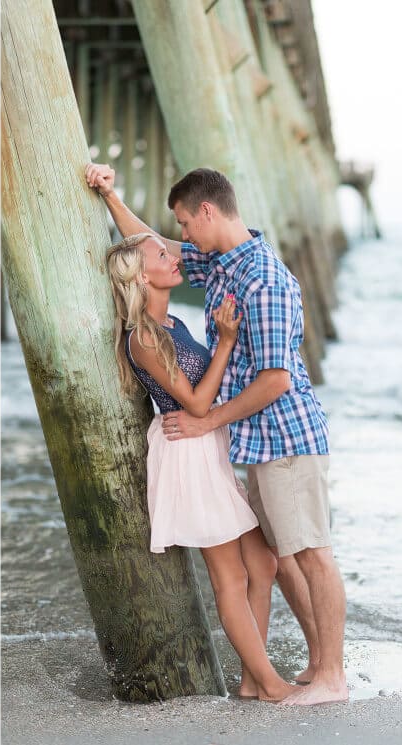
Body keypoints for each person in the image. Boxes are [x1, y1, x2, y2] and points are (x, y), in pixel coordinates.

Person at [87, 162, 346, 706]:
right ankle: (290, 672)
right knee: (272, 558)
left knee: (305, 553)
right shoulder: (221, 265)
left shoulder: (264, 279)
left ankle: (326, 676)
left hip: (278, 435)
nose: (178, 240)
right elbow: (150, 248)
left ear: (206, 211)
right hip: (239, 443)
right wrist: (110, 198)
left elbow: (276, 378)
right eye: (172, 238)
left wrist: (210, 417)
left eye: (183, 223)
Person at [104, 232, 295, 702]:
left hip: (206, 446)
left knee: (262, 562)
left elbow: (201, 404)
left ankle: (254, 678)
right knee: (229, 576)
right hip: (187, 454)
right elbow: (197, 400)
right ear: (141, 275)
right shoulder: (144, 337)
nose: (173, 257)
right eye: (161, 255)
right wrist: (227, 341)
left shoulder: (172, 322)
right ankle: (270, 685)